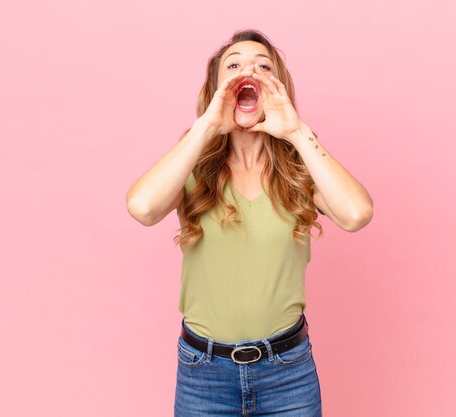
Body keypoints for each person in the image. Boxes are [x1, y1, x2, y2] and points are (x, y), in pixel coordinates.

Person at [126, 29, 373, 417]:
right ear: (217, 87)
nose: (250, 71)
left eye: (263, 65)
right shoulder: (192, 166)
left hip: (288, 372)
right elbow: (142, 207)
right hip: (203, 373)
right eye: (234, 65)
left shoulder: (299, 170)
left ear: (277, 87)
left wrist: (297, 131)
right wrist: (207, 125)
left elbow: (357, 214)